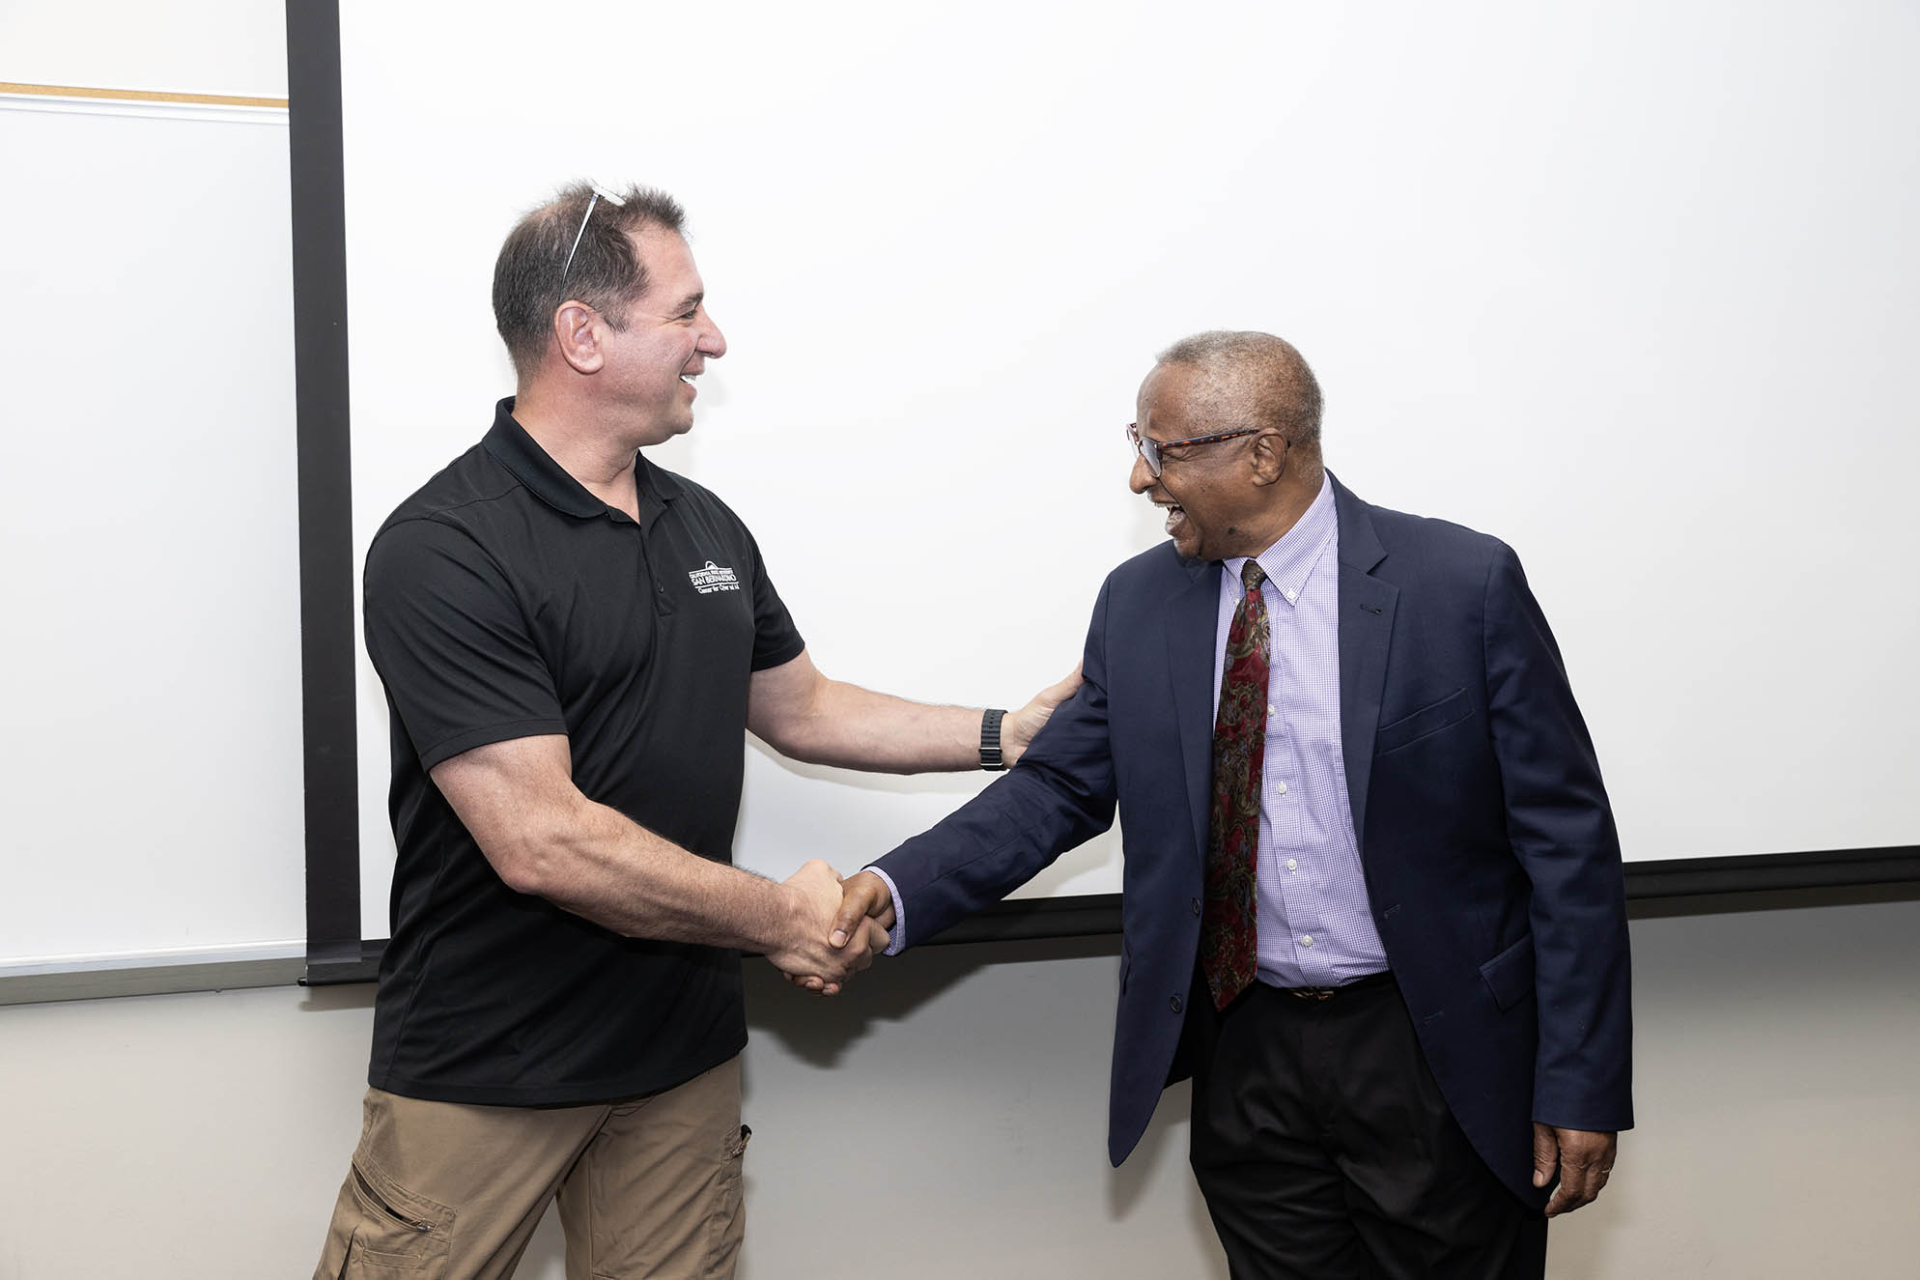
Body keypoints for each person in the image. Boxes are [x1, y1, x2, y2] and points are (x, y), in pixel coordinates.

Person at [311, 182, 1077, 1280]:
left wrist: (1010, 732)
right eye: (686, 312)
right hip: (487, 1064)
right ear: (581, 332)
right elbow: (543, 839)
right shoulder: (444, 547)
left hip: (681, 1055)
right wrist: (778, 917)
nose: (711, 339)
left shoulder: (702, 524)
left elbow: (802, 706)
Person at [833, 331, 1632, 1279]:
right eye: (1138, 443)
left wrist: (1580, 1080)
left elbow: (1567, 847)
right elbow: (1057, 788)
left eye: (1162, 451)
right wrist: (896, 887)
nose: (1139, 479)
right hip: (1243, 1049)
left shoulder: (1460, 585)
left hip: (1432, 1049)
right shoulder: (1138, 604)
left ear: (1263, 454)